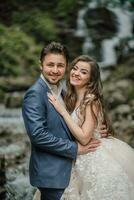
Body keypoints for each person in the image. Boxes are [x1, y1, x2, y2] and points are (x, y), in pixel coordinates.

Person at [22, 42, 107, 200]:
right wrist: (75, 148)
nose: (55, 70)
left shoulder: (65, 92)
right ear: (41, 65)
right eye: (50, 65)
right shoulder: (35, 94)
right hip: (52, 174)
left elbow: (76, 122)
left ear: (66, 66)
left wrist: (94, 131)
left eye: (60, 65)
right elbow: (38, 135)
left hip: (71, 171)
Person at [48, 55, 134, 200]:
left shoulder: (91, 100)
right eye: (75, 68)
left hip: (93, 156)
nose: (76, 73)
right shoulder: (71, 97)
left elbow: (84, 137)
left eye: (83, 72)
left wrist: (62, 111)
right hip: (77, 157)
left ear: (91, 79)